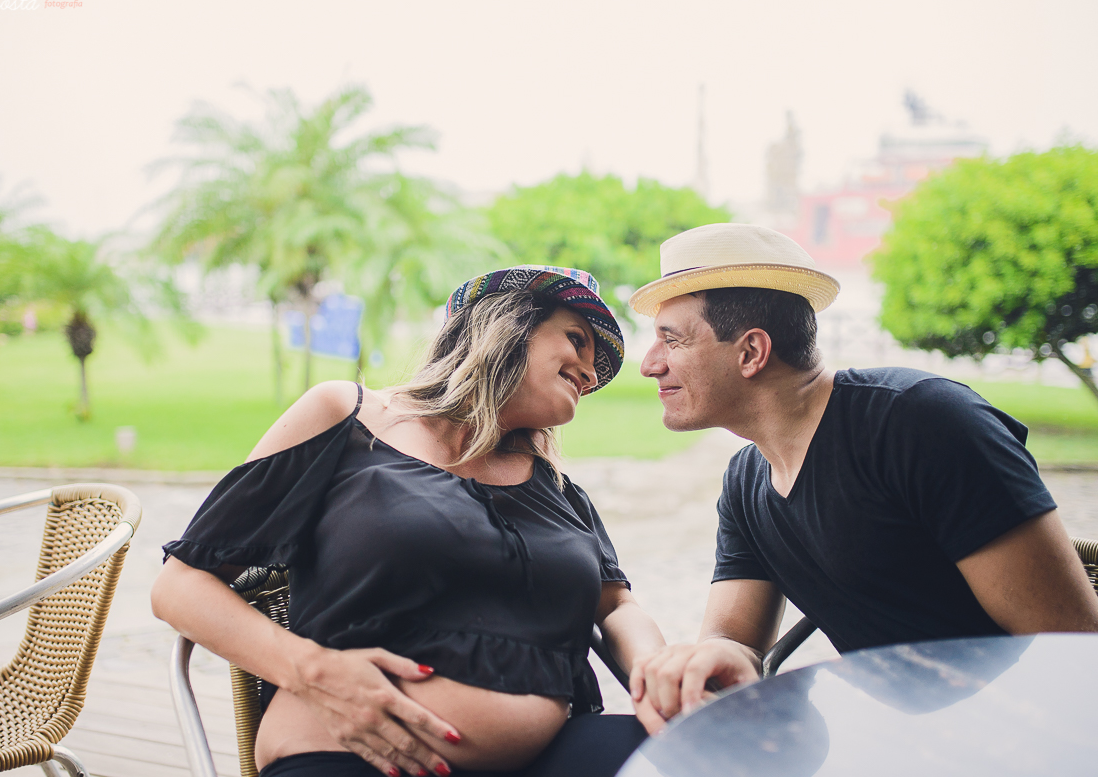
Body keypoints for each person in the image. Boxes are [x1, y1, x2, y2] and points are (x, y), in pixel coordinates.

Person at [151, 265, 668, 777]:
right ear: (506, 326)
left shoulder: (557, 490)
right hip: (353, 755)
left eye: (596, 364)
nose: (591, 372)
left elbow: (617, 606)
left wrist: (655, 671)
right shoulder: (347, 419)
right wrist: (312, 671)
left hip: (549, 755)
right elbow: (180, 587)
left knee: (703, 757)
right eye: (576, 340)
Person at [624, 223, 1098, 722]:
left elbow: (1069, 644)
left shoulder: (922, 423)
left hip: (1025, 731)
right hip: (900, 738)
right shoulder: (745, 482)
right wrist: (712, 660)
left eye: (671, 341)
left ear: (751, 352)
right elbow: (733, 642)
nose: (649, 364)